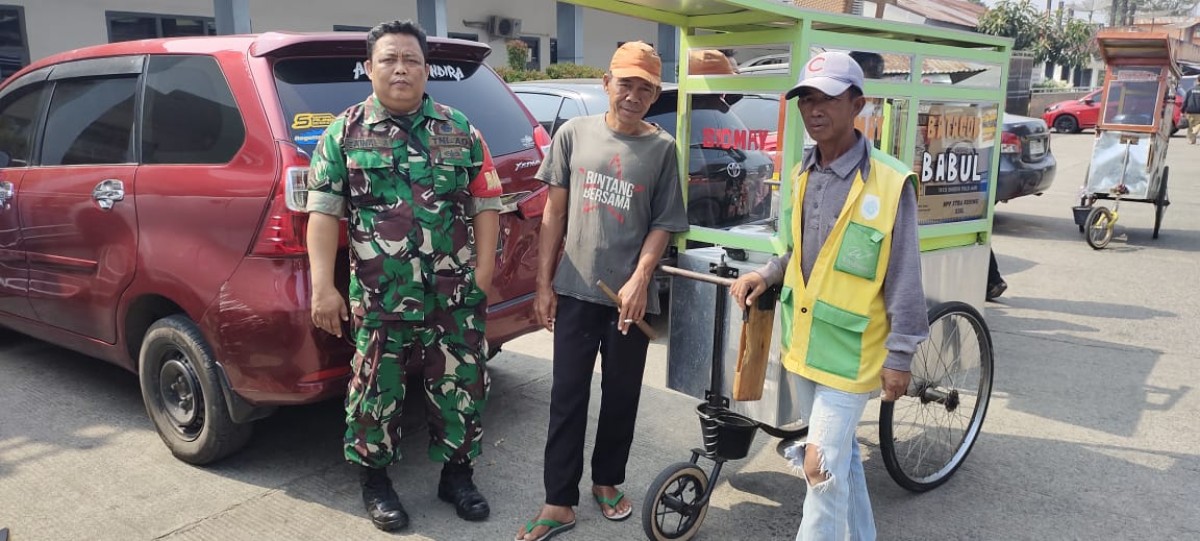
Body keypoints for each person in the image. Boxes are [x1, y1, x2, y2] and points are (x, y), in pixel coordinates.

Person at [304, 19, 501, 532]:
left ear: (425, 68)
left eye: (410, 59)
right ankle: (376, 481)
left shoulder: (458, 129)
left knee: (462, 385)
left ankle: (457, 477)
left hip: (453, 295)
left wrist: (482, 271)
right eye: (389, 59)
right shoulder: (343, 134)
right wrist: (322, 287)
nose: (400, 69)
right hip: (379, 295)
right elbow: (322, 215)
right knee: (375, 392)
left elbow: (485, 203)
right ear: (369, 68)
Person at [729, 51, 930, 540]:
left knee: (817, 465)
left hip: (854, 355)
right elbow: (800, 253)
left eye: (828, 99)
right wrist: (768, 273)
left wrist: (900, 355)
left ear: (857, 104)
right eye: (807, 100)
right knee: (841, 464)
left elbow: (904, 274)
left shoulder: (888, 181)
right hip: (803, 348)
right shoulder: (802, 174)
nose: (814, 110)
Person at [516, 41, 689, 541]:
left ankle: (608, 481)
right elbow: (553, 214)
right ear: (606, 84)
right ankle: (558, 501)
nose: (633, 95)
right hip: (573, 291)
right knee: (566, 395)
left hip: (628, 301)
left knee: (621, 396)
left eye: (645, 88)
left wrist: (640, 279)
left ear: (655, 95)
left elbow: (663, 225)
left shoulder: (662, 149)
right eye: (626, 83)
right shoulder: (573, 134)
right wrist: (542, 284)